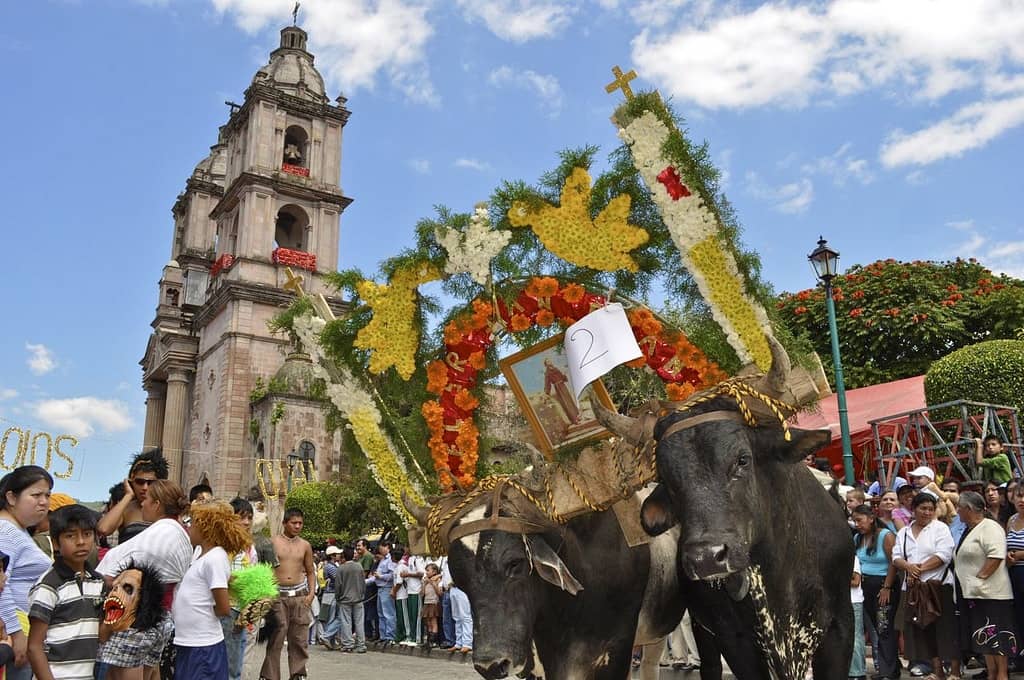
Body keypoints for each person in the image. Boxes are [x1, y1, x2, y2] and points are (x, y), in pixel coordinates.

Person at [96, 479, 192, 680]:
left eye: (147, 499)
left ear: (157, 504)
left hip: (136, 619)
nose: (142, 504)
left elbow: (113, 572)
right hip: (161, 617)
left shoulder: (160, 534)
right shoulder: (178, 532)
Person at [173, 501, 251, 680]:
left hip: (202, 644)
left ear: (205, 528)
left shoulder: (215, 558)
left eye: (192, 523)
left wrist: (202, 612)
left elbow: (223, 608)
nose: (189, 528)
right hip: (189, 641)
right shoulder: (199, 553)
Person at [27, 504, 104, 680]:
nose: (81, 542)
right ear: (55, 542)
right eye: (70, 536)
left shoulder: (98, 582)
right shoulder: (49, 585)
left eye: (87, 534)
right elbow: (34, 646)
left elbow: (101, 635)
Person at [892, 492, 960, 680]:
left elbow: (944, 555)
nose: (927, 512)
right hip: (914, 589)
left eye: (931, 509)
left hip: (938, 586)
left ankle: (954, 671)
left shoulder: (940, 529)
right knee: (923, 629)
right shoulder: (904, 532)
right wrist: (909, 567)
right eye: (923, 508)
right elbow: (896, 557)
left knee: (946, 628)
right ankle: (937, 670)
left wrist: (918, 570)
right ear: (913, 509)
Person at [0, 466, 55, 680]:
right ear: (11, 498)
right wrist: (16, 633)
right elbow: (2, 585)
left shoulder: (17, 530)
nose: (44, 502)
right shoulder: (6, 531)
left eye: (47, 495)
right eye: (36, 495)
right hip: (15, 631)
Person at [955, 491, 1016, 680]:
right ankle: (991, 673)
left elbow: (996, 556)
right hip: (974, 594)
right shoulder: (970, 528)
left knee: (999, 635)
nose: (957, 511)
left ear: (969, 509)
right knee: (984, 636)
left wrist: (979, 579)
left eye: (959, 508)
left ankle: (1002, 674)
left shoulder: (990, 527)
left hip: (992, 593)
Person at [259, 508, 315, 680]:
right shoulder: (272, 542)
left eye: (300, 523)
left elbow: (310, 571)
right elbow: (264, 571)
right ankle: (269, 675)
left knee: (299, 639)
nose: (297, 526)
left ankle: (298, 674)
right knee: (276, 637)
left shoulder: (305, 545)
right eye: (294, 523)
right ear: (284, 523)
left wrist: (311, 593)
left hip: (299, 595)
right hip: (277, 596)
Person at [850, 504, 900, 680]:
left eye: (860, 520)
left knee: (884, 628)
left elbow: (894, 562)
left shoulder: (885, 536)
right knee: (878, 630)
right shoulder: (858, 538)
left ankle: (890, 672)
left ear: (871, 518)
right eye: (854, 521)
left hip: (883, 585)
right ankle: (888, 667)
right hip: (866, 587)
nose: (857, 524)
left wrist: (887, 587)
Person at [97, 451, 169, 546]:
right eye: (140, 481)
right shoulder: (126, 509)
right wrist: (128, 496)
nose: (145, 487)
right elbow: (103, 529)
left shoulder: (168, 509)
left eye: (150, 483)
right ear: (131, 482)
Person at [222, 498, 258, 680]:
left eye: (249, 518)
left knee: (237, 661)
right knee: (230, 663)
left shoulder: (249, 547)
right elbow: (221, 576)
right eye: (241, 517)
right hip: (226, 609)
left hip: (243, 610)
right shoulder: (223, 544)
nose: (246, 522)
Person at [333, 547, 366, 653]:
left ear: (343, 557)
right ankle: (361, 644)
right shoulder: (359, 567)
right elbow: (363, 583)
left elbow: (338, 585)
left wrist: (338, 597)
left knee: (346, 622)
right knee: (359, 622)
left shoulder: (341, 569)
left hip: (345, 599)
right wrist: (362, 594)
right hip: (358, 598)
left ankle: (348, 644)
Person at [396, 546, 423, 646]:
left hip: (417, 590)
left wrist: (408, 574)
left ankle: (417, 638)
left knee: (416, 616)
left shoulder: (417, 559)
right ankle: (411, 636)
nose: (405, 549)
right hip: (409, 591)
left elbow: (421, 573)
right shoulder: (410, 559)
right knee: (411, 615)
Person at [371, 542, 396, 643]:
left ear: (388, 547)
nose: (381, 549)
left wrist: (381, 576)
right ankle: (383, 635)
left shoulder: (390, 560)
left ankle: (390, 635)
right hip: (380, 588)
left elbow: (392, 575)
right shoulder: (382, 560)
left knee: (388, 613)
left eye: (383, 547)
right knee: (381, 613)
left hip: (386, 587)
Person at [543, 358, 580, 425]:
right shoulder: (547, 373)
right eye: (548, 361)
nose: (550, 362)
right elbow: (547, 383)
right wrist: (546, 392)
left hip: (563, 386)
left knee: (569, 401)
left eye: (550, 360)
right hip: (558, 388)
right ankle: (574, 420)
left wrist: (564, 375)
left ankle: (577, 416)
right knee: (566, 403)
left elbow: (562, 377)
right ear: (546, 364)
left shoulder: (555, 368)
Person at [850, 555, 866, 680]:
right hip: (840, 601)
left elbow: (856, 582)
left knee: (856, 637)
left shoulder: (853, 558)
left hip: (854, 601)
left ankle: (858, 672)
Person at [420, 563, 442, 648]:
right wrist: (424, 584)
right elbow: (422, 594)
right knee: (428, 622)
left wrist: (432, 583)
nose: (426, 572)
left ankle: (434, 641)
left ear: (434, 571)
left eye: (428, 570)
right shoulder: (425, 580)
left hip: (434, 602)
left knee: (433, 621)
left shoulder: (437, 579)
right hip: (426, 602)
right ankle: (429, 640)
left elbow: (439, 593)